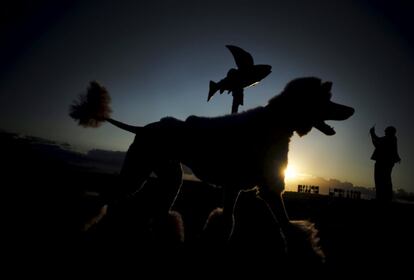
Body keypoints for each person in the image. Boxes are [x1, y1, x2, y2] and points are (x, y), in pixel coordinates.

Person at [370, 125, 401, 203]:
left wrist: (372, 133)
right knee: (385, 180)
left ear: (389, 132)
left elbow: (377, 143)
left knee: (381, 180)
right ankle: (384, 198)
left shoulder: (390, 138)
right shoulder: (392, 139)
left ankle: (382, 199)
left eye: (386, 131)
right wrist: (372, 134)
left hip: (382, 162)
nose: (384, 132)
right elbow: (378, 141)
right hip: (386, 162)